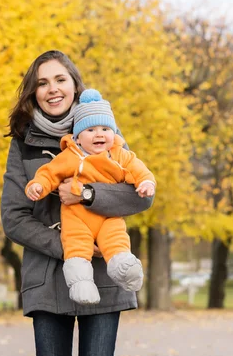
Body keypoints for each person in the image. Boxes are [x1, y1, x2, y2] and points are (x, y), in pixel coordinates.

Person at [1, 50, 153, 356]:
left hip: (103, 279)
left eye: (60, 79)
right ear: (34, 92)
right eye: (42, 83)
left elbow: (140, 197)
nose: (52, 88)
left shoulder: (104, 133)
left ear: (75, 86)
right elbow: (14, 218)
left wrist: (86, 194)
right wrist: (73, 248)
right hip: (46, 279)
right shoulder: (22, 143)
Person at [25, 88, 156, 305]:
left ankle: (125, 268)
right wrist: (38, 185)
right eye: (91, 129)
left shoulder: (119, 154)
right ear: (77, 136)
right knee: (76, 247)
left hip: (108, 216)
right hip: (77, 216)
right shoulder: (71, 155)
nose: (99, 134)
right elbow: (50, 172)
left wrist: (145, 183)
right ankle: (81, 284)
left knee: (116, 240)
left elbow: (138, 169)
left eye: (105, 128)